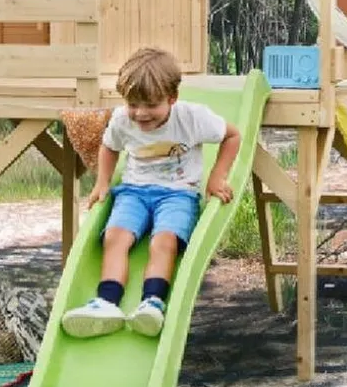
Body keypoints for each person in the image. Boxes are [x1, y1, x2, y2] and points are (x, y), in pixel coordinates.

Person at [61, 47, 241, 340]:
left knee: (164, 241)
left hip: (178, 194)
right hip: (133, 191)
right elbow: (109, 146)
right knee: (114, 237)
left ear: (172, 99)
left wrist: (216, 177)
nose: (140, 113)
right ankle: (107, 302)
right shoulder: (121, 119)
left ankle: (152, 303)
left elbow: (232, 135)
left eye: (151, 105)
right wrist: (102, 182)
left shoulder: (192, 118)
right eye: (133, 104)